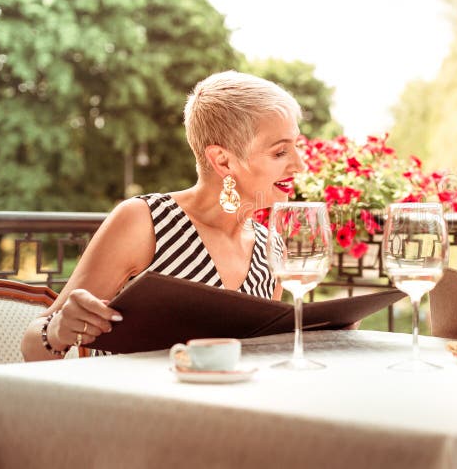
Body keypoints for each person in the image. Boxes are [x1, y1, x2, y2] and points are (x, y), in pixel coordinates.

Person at [22, 71, 305, 361]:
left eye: (298, 146)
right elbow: (33, 347)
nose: (300, 165)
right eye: (281, 152)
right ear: (223, 160)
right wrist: (57, 330)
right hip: (127, 404)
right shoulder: (144, 221)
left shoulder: (269, 246)